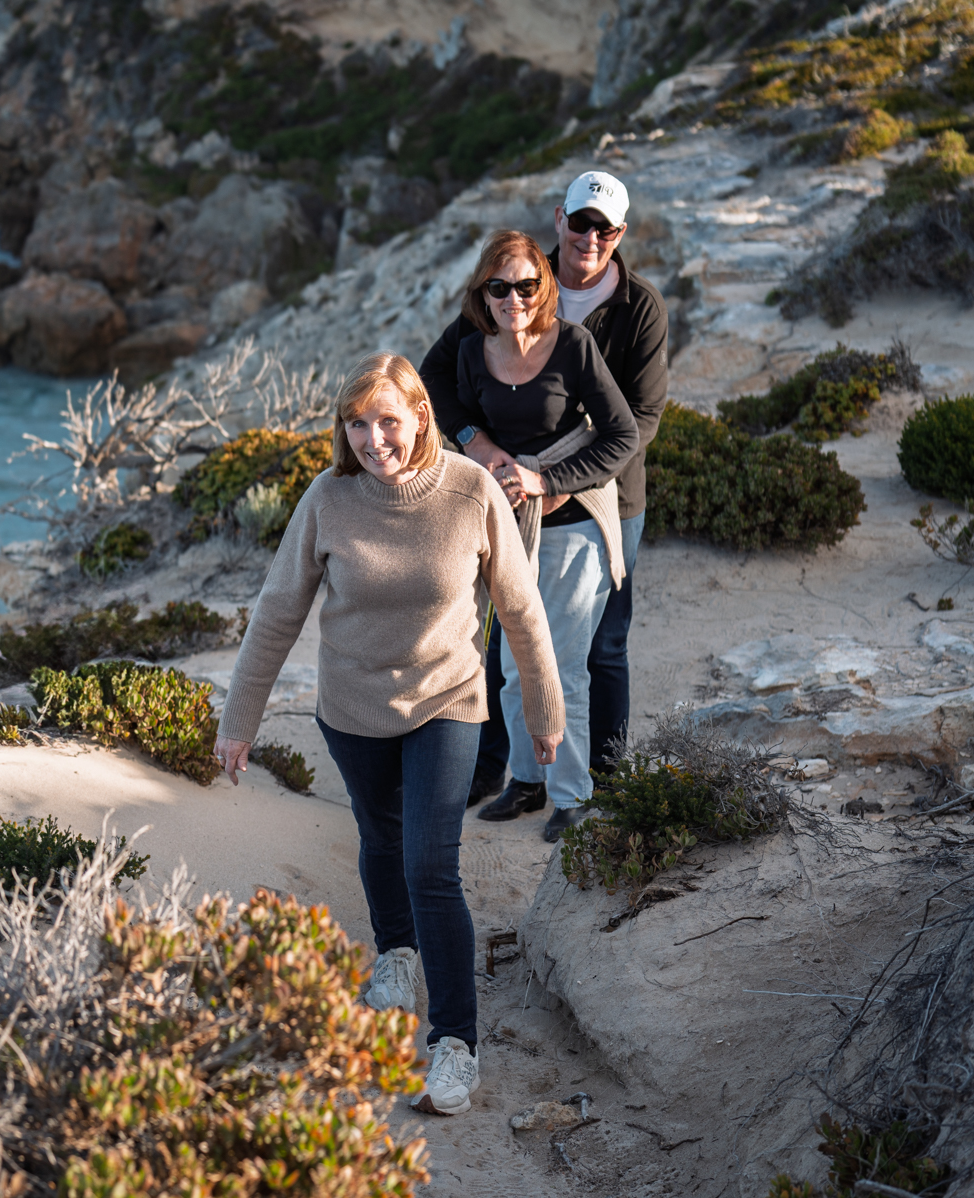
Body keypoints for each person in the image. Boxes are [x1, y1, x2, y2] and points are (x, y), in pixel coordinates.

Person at [212, 351, 566, 1117]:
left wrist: (544, 712)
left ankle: (454, 1042)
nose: (376, 440)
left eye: (390, 422)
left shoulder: (471, 492)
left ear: (421, 417)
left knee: (430, 863)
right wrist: (239, 719)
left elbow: (521, 610)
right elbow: (278, 612)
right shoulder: (329, 498)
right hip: (352, 708)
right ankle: (396, 955)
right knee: (379, 838)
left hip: (448, 698)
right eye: (359, 425)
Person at [422, 170, 670, 814]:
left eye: (605, 228)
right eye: (581, 222)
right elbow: (435, 377)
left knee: (596, 649)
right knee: (512, 650)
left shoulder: (634, 309)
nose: (591, 236)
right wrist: (475, 442)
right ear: (559, 219)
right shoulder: (510, 287)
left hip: (601, 500)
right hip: (510, 507)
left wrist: (556, 479)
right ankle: (522, 779)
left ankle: (594, 788)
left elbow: (636, 423)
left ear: (618, 235)